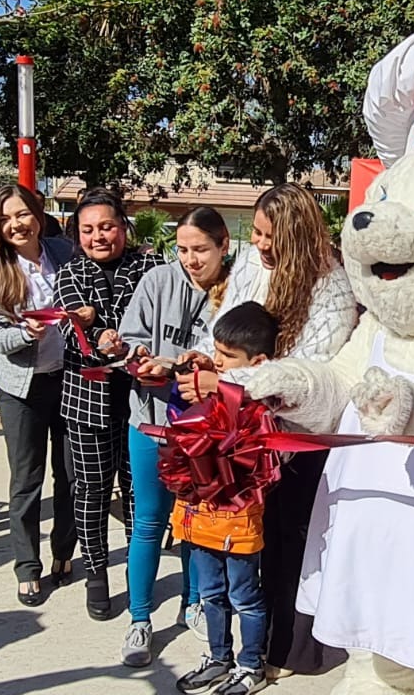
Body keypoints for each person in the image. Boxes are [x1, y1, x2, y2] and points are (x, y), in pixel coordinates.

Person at [177, 183, 357, 678]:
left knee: (288, 543)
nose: (256, 244)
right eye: (254, 233)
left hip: (297, 437)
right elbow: (226, 327)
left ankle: (285, 649)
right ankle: (230, 648)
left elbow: (310, 369)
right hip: (242, 431)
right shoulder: (253, 267)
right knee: (239, 543)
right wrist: (204, 362)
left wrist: (226, 380)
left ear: (296, 237)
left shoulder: (332, 287)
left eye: (266, 235)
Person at [114, 206, 238, 667]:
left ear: (224, 245)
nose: (190, 259)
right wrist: (138, 358)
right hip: (149, 421)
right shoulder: (157, 281)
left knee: (194, 523)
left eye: (201, 249)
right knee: (148, 521)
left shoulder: (235, 291)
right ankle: (140, 618)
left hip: (205, 432)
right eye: (183, 249)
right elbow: (130, 341)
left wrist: (190, 366)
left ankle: (194, 604)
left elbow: (236, 360)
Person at [53, 187, 163, 624]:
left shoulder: (151, 265)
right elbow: (67, 332)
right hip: (88, 398)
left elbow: (158, 317)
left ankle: (142, 574)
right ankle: (96, 573)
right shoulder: (69, 274)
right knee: (93, 490)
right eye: (88, 229)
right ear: (76, 234)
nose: (99, 236)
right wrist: (97, 335)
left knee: (139, 491)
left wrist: (109, 326)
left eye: (108, 226)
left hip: (144, 395)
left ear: (123, 226)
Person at [0, 185, 78, 606]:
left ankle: (63, 554)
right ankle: (27, 566)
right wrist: (25, 332)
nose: (17, 224)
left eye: (23, 214)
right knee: (27, 480)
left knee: (72, 476)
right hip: (21, 386)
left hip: (69, 379)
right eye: (6, 219)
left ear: (38, 214)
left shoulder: (65, 253)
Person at [173, 301, 280, 695]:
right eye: (216, 352)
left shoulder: (260, 405)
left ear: (259, 362)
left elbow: (264, 466)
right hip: (200, 515)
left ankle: (251, 665)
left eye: (228, 356)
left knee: (244, 595)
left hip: (238, 520)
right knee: (211, 593)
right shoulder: (204, 395)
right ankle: (220, 658)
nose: (217, 362)